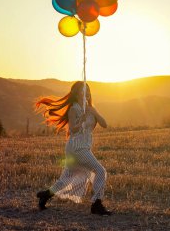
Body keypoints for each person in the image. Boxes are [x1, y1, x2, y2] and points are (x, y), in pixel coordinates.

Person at [34, 81, 112, 216]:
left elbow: (104, 124)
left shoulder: (90, 108)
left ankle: (46, 195)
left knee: (66, 179)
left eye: (87, 90)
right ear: (76, 93)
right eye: (83, 90)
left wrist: (93, 111)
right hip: (77, 148)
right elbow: (72, 130)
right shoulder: (74, 108)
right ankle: (97, 204)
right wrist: (80, 120)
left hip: (83, 147)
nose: (86, 93)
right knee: (100, 171)